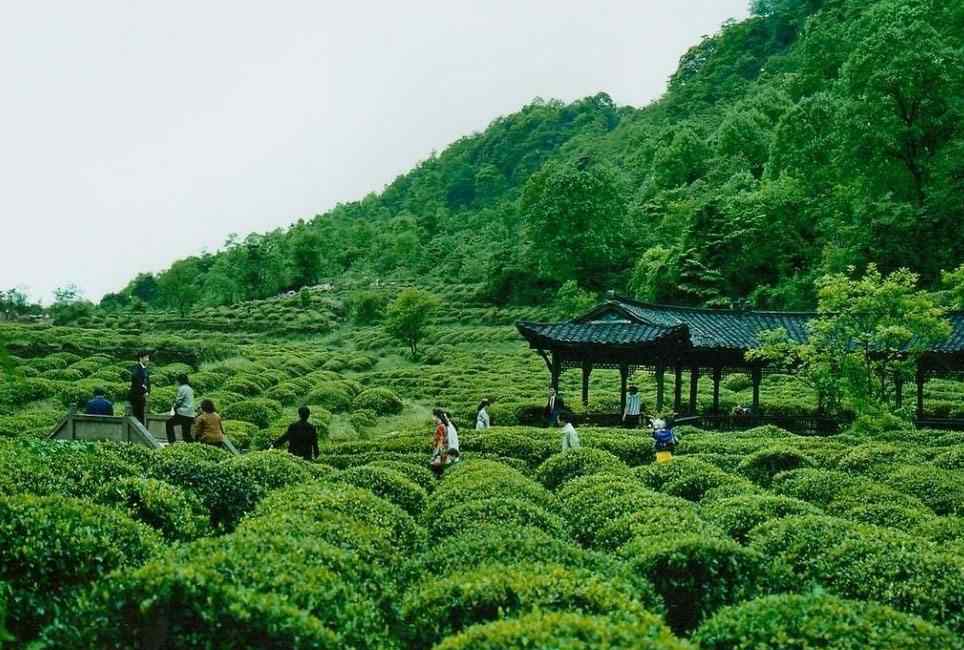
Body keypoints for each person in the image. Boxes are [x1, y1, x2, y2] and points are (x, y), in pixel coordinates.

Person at [165, 374, 195, 444]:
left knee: (169, 423)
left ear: (179, 381)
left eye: (176, 381)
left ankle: (172, 442)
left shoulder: (182, 388)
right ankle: (194, 446)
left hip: (183, 413)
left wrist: (173, 405)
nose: (176, 382)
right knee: (186, 434)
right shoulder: (190, 388)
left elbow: (179, 401)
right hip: (190, 414)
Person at [128, 351, 151, 425]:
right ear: (141, 358)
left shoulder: (144, 369)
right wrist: (144, 391)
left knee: (141, 417)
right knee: (138, 418)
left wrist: (148, 391)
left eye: (148, 358)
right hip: (137, 397)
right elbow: (137, 382)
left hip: (141, 397)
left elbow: (147, 382)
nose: (148, 359)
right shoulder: (137, 369)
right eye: (146, 358)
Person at [430, 409, 448, 478]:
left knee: (437, 470)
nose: (432, 418)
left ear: (436, 416)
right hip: (443, 451)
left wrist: (436, 453)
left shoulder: (440, 426)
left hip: (440, 451)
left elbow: (441, 440)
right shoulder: (443, 425)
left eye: (433, 416)